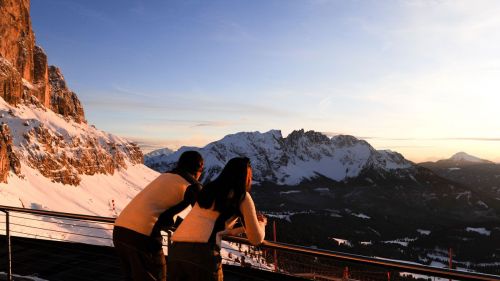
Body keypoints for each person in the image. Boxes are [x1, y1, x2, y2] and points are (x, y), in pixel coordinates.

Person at [168, 157, 267, 281]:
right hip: (203, 254)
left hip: (176, 250)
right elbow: (256, 239)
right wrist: (261, 223)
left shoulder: (208, 190)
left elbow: (214, 225)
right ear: (245, 177)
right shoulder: (241, 196)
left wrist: (241, 228)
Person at [113, 150, 204, 281]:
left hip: (119, 231)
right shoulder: (192, 184)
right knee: (157, 275)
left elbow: (161, 209)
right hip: (142, 236)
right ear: (199, 168)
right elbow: (205, 214)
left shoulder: (165, 175)